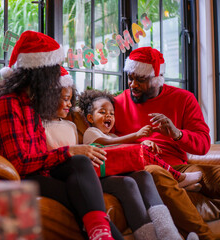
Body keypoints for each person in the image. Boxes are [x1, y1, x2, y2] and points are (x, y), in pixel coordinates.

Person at [0, 30, 123, 240]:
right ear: (40, 74)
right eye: (53, 72)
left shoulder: (31, 105)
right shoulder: (7, 103)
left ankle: (100, 234)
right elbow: (19, 163)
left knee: (81, 163)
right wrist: (69, 150)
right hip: (17, 179)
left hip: (36, 173)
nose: (57, 79)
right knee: (82, 198)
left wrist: (72, 155)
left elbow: (39, 155)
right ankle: (102, 234)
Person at [43, 67, 198, 240]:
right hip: (82, 176)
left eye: (71, 100)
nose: (70, 104)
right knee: (128, 183)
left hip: (93, 171)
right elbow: (96, 148)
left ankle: (170, 235)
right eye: (66, 99)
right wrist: (136, 136)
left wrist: (140, 142)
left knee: (144, 176)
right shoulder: (51, 127)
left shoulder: (71, 126)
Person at [114, 46, 219, 240]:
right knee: (156, 174)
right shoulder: (116, 104)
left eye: (141, 79)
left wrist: (177, 133)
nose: (133, 84)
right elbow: (106, 145)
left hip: (182, 169)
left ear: (157, 78)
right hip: (147, 170)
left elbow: (203, 145)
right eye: (130, 77)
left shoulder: (183, 98)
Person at [79, 89, 203, 190]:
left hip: (118, 168)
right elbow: (106, 143)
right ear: (90, 118)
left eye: (112, 113)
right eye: (102, 112)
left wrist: (143, 143)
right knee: (140, 153)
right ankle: (178, 177)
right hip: (104, 170)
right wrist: (136, 136)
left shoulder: (112, 135)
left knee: (144, 152)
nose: (108, 115)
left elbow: (123, 145)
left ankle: (177, 184)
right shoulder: (91, 132)